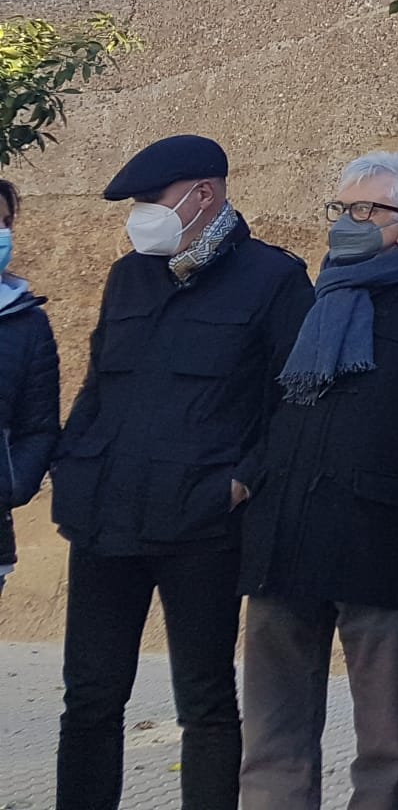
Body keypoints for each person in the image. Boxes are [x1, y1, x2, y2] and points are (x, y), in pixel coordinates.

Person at [50, 135, 314, 810]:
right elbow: (98, 390)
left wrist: (241, 481)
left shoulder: (273, 278)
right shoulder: (126, 276)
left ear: (205, 195)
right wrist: (74, 467)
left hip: (202, 525)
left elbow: (295, 402)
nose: (140, 215)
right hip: (105, 519)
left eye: (151, 200)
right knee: (89, 698)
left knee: (205, 701)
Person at [238, 152, 398, 810]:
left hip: (385, 549)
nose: (345, 222)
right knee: (271, 735)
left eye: (363, 210)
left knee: (385, 745)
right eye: (339, 209)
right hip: (284, 544)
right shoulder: (316, 295)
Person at [0, 177, 61, 605]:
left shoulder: (26, 323)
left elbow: (38, 425)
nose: (2, 234)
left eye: (5, 223)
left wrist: (12, 485)